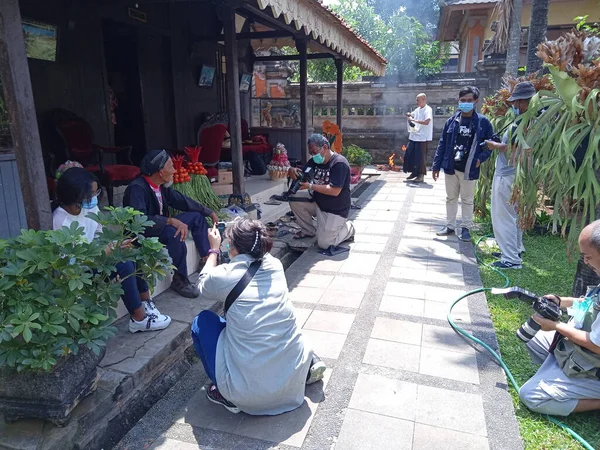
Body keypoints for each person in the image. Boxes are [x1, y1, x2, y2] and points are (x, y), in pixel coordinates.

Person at [190, 219, 326, 414]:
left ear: (233, 246)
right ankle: (308, 363)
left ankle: (225, 393)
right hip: (290, 384)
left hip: (248, 395)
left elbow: (202, 284)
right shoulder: (275, 265)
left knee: (202, 322)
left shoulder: (223, 276)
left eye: (230, 240)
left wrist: (214, 249)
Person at [53, 167, 171, 333]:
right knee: (124, 265)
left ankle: (146, 303)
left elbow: (99, 234)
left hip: (98, 256)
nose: (95, 198)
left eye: (96, 193)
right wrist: (102, 252)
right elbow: (68, 262)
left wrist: (115, 244)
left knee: (131, 251)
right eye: (90, 195)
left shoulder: (90, 208)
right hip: (80, 269)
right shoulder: (60, 220)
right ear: (75, 196)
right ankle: (139, 318)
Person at [519, 221, 600, 416]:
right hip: (584, 348)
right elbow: (589, 302)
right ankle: (561, 374)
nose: (586, 262)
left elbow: (596, 345)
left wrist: (556, 326)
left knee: (530, 396)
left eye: (588, 257)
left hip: (594, 356)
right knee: (534, 338)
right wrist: (560, 301)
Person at [123, 149, 219, 298]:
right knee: (174, 233)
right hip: (144, 234)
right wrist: (170, 221)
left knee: (196, 217)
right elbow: (138, 220)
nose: (174, 170)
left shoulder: (161, 186)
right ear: (160, 172)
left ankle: (207, 258)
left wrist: (208, 211)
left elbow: (182, 201)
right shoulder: (137, 189)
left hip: (161, 225)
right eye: (170, 167)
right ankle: (180, 280)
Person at [431, 86, 495, 242]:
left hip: (470, 168)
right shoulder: (452, 121)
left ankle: (465, 228)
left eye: (469, 101)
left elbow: (492, 143)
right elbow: (442, 143)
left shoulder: (483, 122)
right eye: (462, 100)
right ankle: (450, 226)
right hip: (451, 167)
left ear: (476, 101)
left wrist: (481, 158)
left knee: (467, 199)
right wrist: (436, 165)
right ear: (458, 101)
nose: (465, 103)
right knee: (450, 198)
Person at [484, 81, 535, 269]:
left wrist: (494, 145)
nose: (513, 106)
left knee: (503, 217)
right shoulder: (535, 120)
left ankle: (511, 259)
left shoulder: (521, 123)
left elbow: (510, 149)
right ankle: (515, 249)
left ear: (523, 102)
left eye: (516, 102)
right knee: (515, 215)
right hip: (520, 175)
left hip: (507, 175)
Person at [287, 134, 355, 250]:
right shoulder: (314, 162)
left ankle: (349, 228)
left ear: (325, 147)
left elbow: (334, 191)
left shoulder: (339, 163)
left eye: (315, 152)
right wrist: (292, 171)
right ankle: (308, 231)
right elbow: (303, 176)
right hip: (318, 203)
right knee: (294, 198)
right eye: (311, 153)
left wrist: (311, 186)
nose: (314, 155)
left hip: (336, 210)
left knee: (325, 244)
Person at [403, 93, 433, 183]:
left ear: (424, 99)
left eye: (418, 100)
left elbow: (427, 121)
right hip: (414, 136)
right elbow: (412, 115)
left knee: (420, 157)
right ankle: (414, 172)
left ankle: (421, 175)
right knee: (409, 155)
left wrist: (414, 120)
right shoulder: (417, 109)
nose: (416, 102)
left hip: (422, 137)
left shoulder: (428, 109)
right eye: (416, 100)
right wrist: (409, 115)